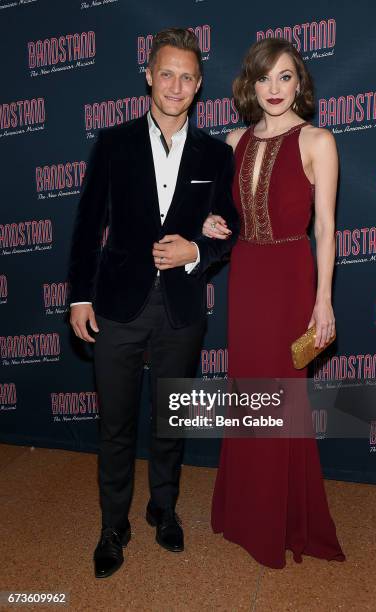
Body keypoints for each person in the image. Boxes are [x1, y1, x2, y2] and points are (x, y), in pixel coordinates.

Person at [68, 27, 239, 578]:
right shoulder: (113, 142)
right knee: (115, 423)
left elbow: (228, 226)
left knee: (171, 419)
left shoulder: (216, 152)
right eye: (167, 73)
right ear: (149, 75)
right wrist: (78, 297)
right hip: (117, 303)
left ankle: (163, 508)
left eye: (188, 77)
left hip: (182, 309)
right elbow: (87, 225)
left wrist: (197, 248)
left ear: (199, 85)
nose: (176, 85)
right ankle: (112, 525)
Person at [202, 38, 345, 568]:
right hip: (247, 277)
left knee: (283, 401)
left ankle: (283, 522)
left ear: (299, 83)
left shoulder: (318, 141)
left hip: (290, 277)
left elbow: (327, 228)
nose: (275, 89)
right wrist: (213, 223)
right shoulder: (233, 139)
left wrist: (322, 301)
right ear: (250, 85)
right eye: (265, 78)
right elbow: (229, 217)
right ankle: (245, 514)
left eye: (285, 77)